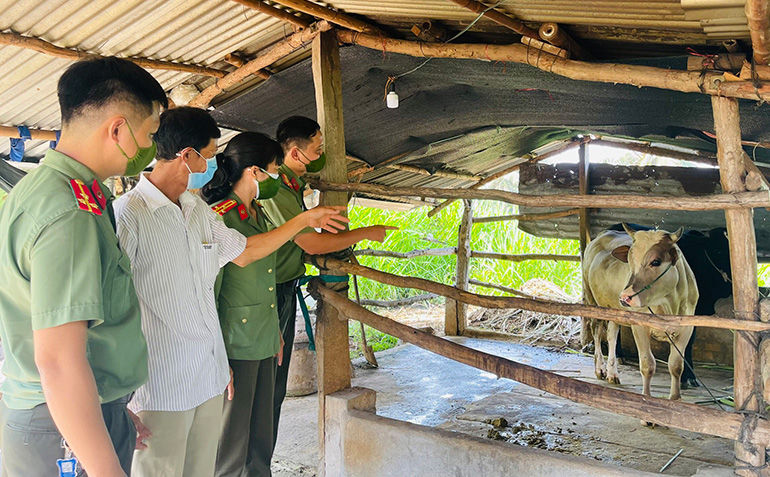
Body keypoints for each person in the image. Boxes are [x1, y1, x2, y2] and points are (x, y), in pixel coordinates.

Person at [114, 107, 347, 477]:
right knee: (159, 470)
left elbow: (248, 251)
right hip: (159, 384)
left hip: (208, 375)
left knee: (206, 469)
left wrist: (303, 220)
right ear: (186, 155)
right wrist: (115, 393)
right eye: (209, 155)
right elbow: (112, 308)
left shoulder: (198, 211)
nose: (213, 165)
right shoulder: (128, 215)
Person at [0, 57, 167, 476]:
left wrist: (107, 408)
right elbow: (57, 361)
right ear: (117, 129)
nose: (149, 148)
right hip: (58, 427)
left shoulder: (45, 189)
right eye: (149, 134)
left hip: (73, 414)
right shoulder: (69, 211)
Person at [262, 116, 397, 447]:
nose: (321, 154)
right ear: (295, 153)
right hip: (268, 292)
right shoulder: (277, 190)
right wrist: (369, 233)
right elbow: (312, 243)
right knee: (266, 389)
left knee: (272, 389)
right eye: (317, 148)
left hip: (279, 289)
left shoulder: (292, 188)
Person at [200, 132, 288, 476]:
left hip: (263, 338)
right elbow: (210, 291)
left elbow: (263, 282)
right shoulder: (220, 217)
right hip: (234, 342)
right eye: (273, 169)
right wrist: (218, 356)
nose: (276, 177)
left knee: (260, 439)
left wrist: (275, 332)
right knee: (231, 443)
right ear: (254, 171)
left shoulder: (257, 212)